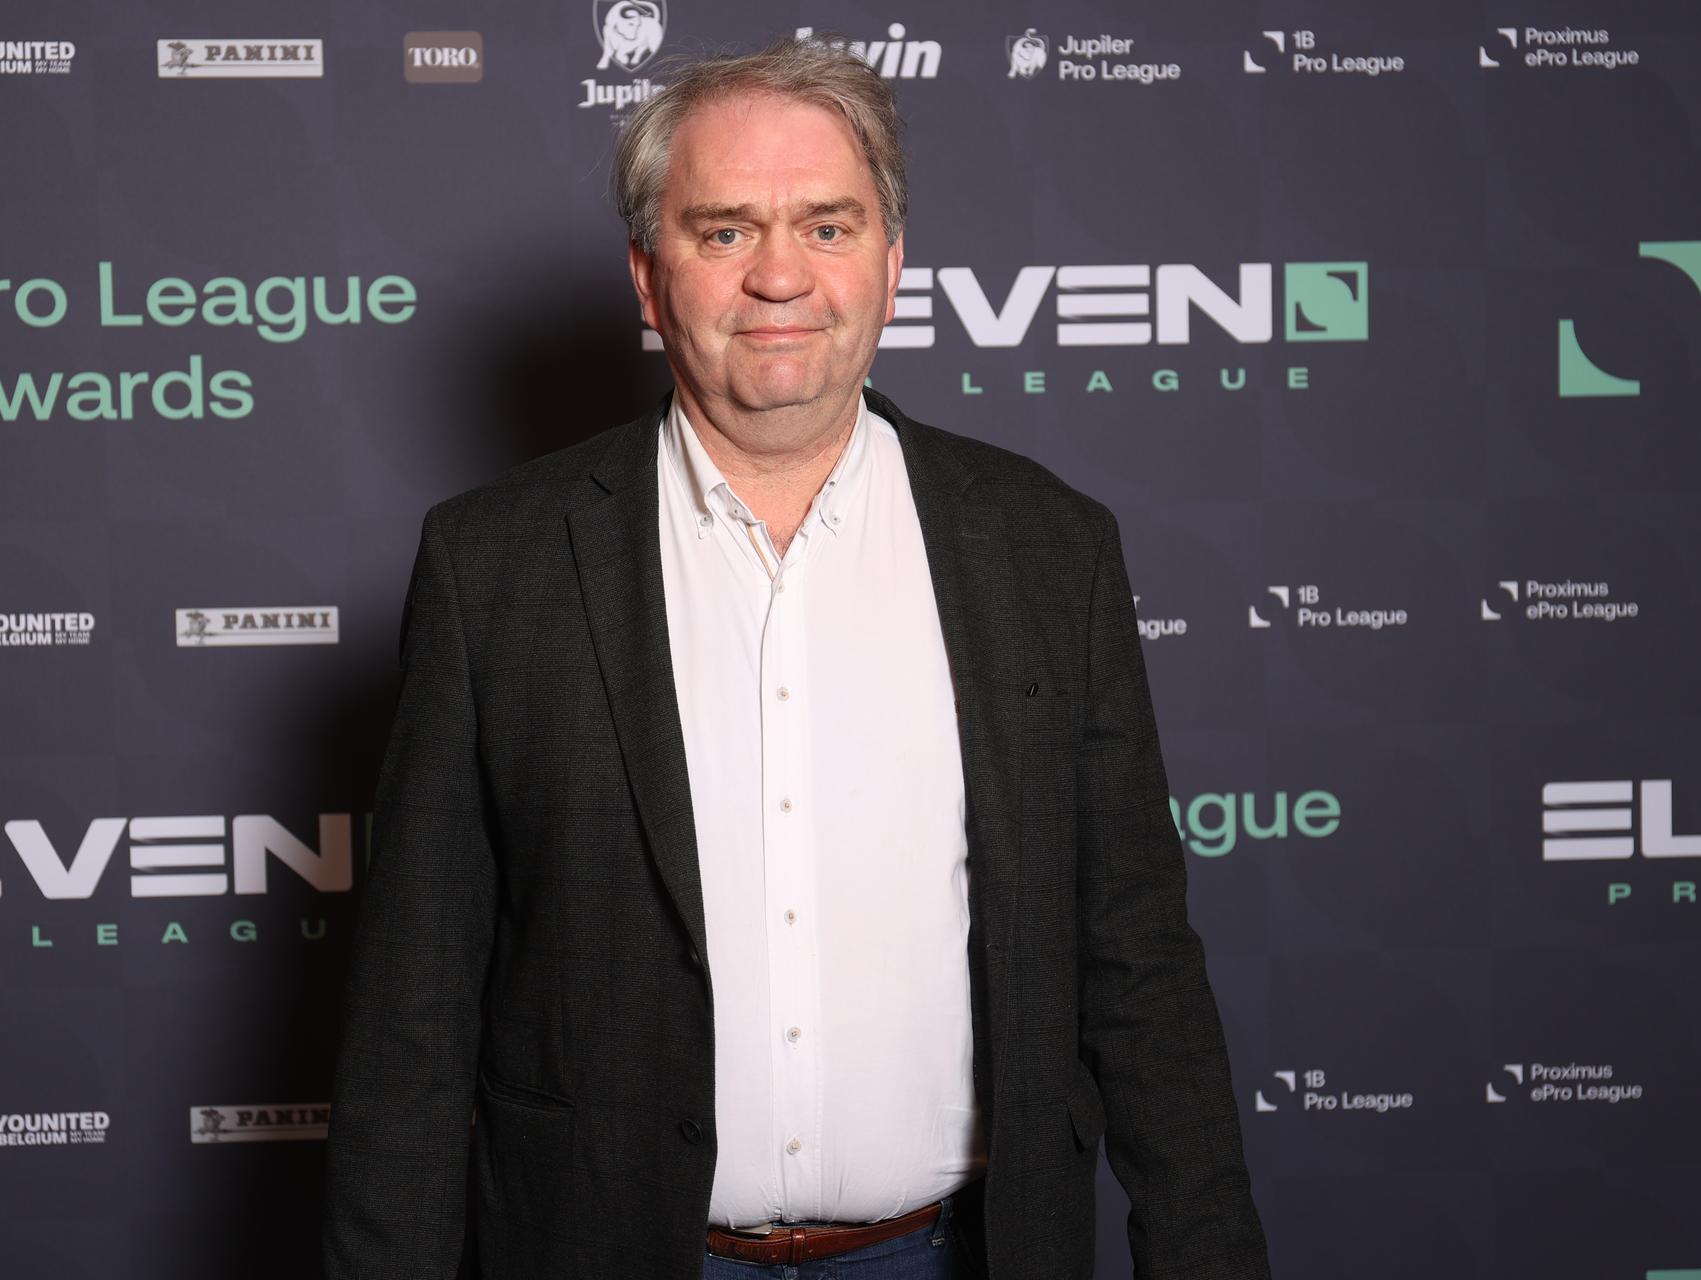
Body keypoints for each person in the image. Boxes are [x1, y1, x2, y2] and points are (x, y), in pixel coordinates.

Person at [322, 36, 1270, 1280]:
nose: (780, 276)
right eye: (724, 231)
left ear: (892, 261)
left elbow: (1139, 964)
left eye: (828, 226)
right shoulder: (492, 564)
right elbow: (415, 1010)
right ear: (649, 277)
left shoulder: (1049, 547)